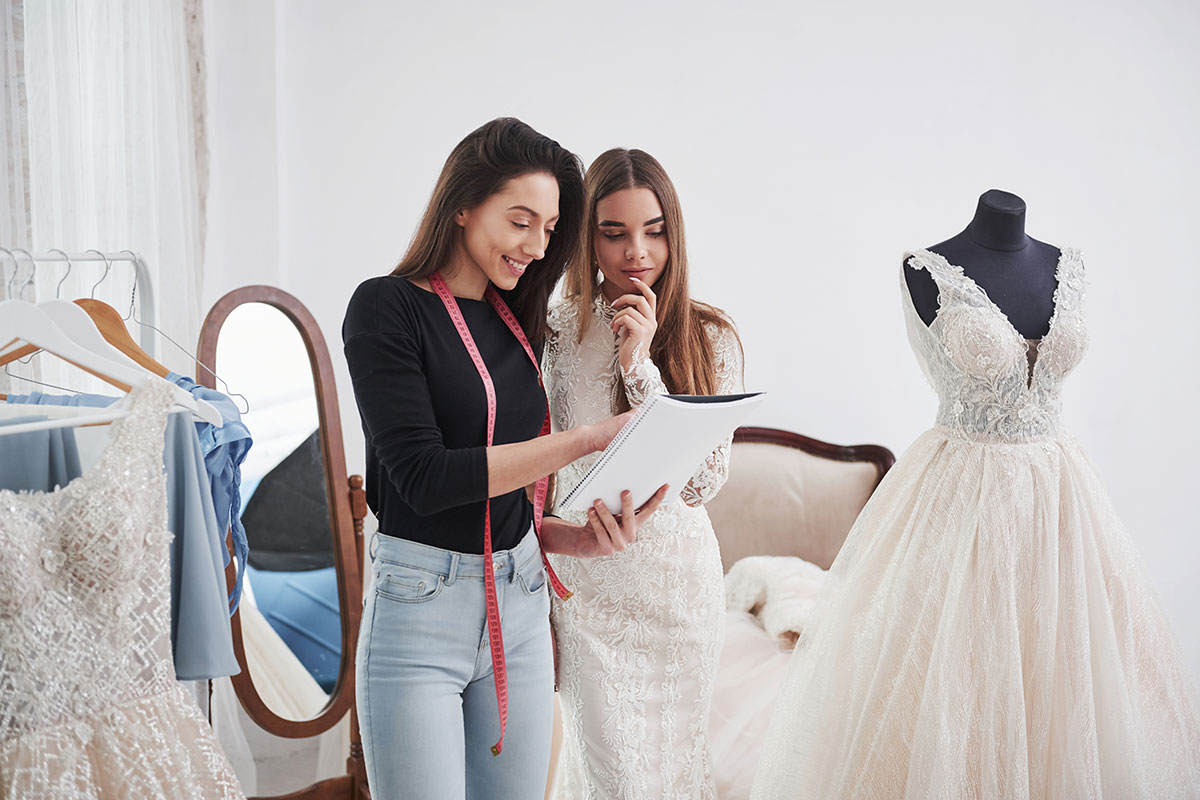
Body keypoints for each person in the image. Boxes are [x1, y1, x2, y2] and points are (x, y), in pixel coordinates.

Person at [750, 193, 1200, 799]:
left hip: (1062, 501)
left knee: (1071, 681)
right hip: (963, 498)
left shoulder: (1070, 266)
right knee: (958, 680)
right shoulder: (924, 269)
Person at [342, 118, 668, 800]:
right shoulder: (386, 308)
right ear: (462, 204)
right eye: (521, 221)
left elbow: (500, 499)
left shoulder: (516, 321)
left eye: (549, 229)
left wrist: (566, 536)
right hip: (418, 611)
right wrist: (588, 440)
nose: (536, 245)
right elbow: (425, 479)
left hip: (519, 599)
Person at [542, 147, 744, 798]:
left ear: (673, 232)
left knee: (670, 775)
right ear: (586, 236)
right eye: (614, 232)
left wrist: (642, 364)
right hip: (587, 588)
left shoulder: (708, 334)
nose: (636, 251)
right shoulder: (555, 328)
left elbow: (702, 483)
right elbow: (546, 459)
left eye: (654, 231)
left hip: (676, 593)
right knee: (610, 777)